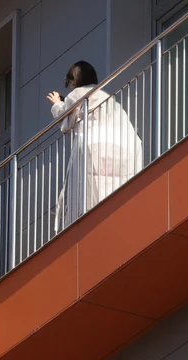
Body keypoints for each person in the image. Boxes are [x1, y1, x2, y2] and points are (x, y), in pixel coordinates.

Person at [47, 61, 143, 232]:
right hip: (123, 144)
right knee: (113, 188)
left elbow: (66, 123)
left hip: (94, 143)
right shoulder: (106, 95)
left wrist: (57, 104)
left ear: (73, 80)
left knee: (91, 192)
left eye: (68, 82)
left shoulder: (75, 95)